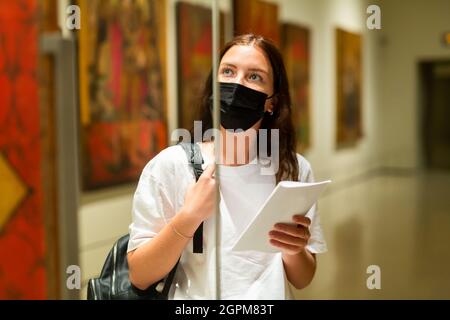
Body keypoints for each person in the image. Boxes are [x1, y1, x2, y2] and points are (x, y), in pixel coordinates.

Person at [127, 34, 327, 299]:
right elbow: (140, 276)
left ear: (271, 103)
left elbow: (302, 279)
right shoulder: (171, 167)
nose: (237, 84)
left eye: (254, 76)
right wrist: (188, 217)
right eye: (228, 71)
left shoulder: (292, 170)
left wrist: (294, 249)